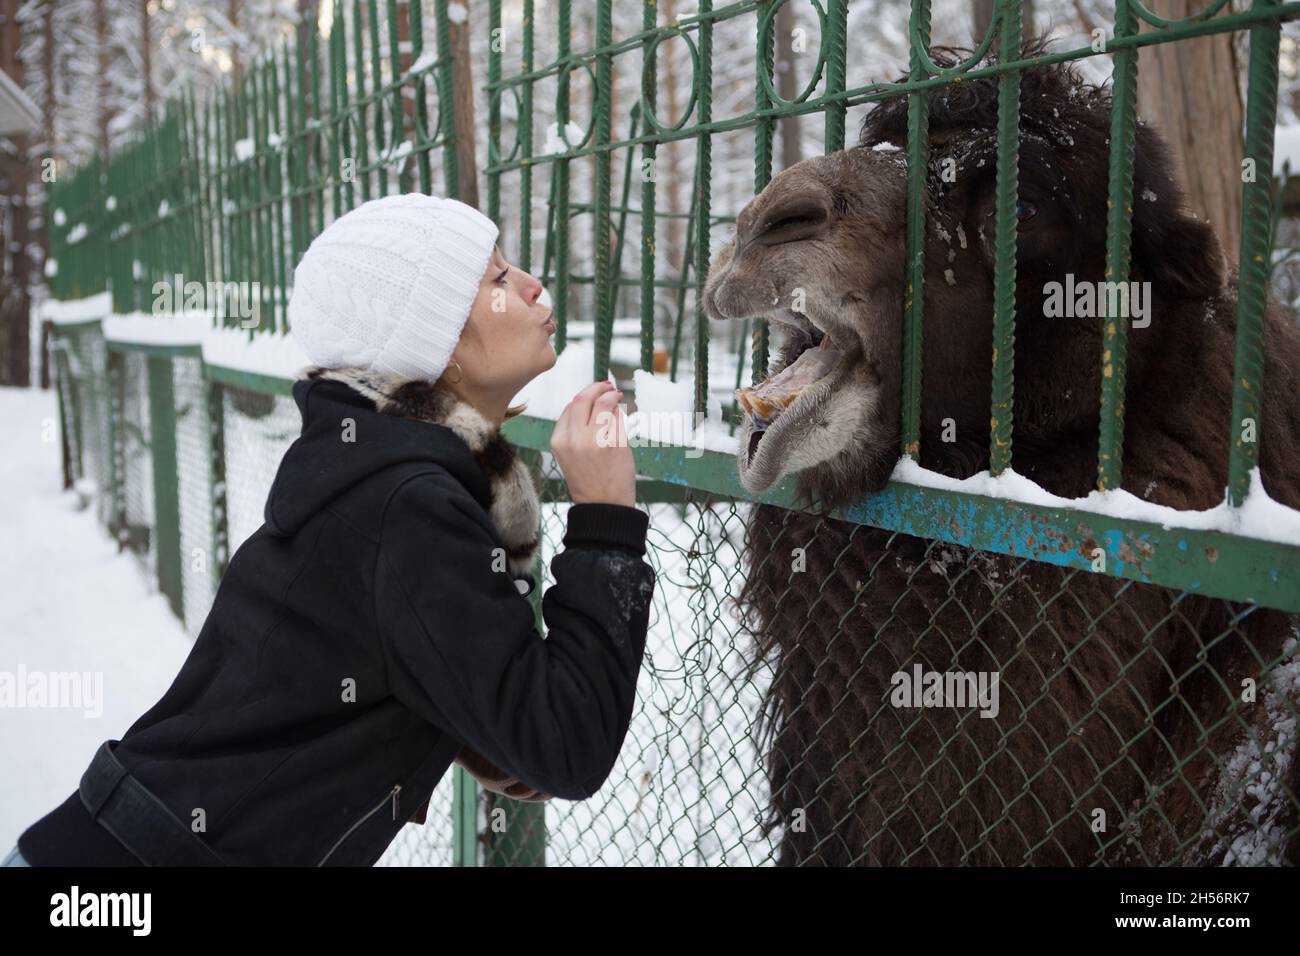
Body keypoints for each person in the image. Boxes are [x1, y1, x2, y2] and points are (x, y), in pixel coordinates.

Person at [10, 193, 655, 866]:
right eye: (495, 279)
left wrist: (457, 717)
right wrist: (606, 522)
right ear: (431, 341)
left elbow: (344, 662)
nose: (530, 283)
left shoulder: (377, 469)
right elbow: (566, 747)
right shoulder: (407, 501)